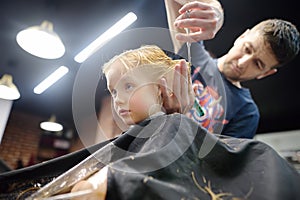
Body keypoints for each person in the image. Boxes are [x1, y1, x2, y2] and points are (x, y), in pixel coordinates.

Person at [1, 45, 300, 200]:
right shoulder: (198, 58)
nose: (117, 100)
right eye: (113, 90)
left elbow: (218, 162)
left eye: (128, 86)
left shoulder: (241, 114)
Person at [163, 0, 300, 138]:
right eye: (247, 49)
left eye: (257, 64)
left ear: (266, 73)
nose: (242, 63)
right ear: (242, 37)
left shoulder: (246, 112)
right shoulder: (194, 54)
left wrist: (178, 119)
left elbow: (218, 159)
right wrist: (216, 9)